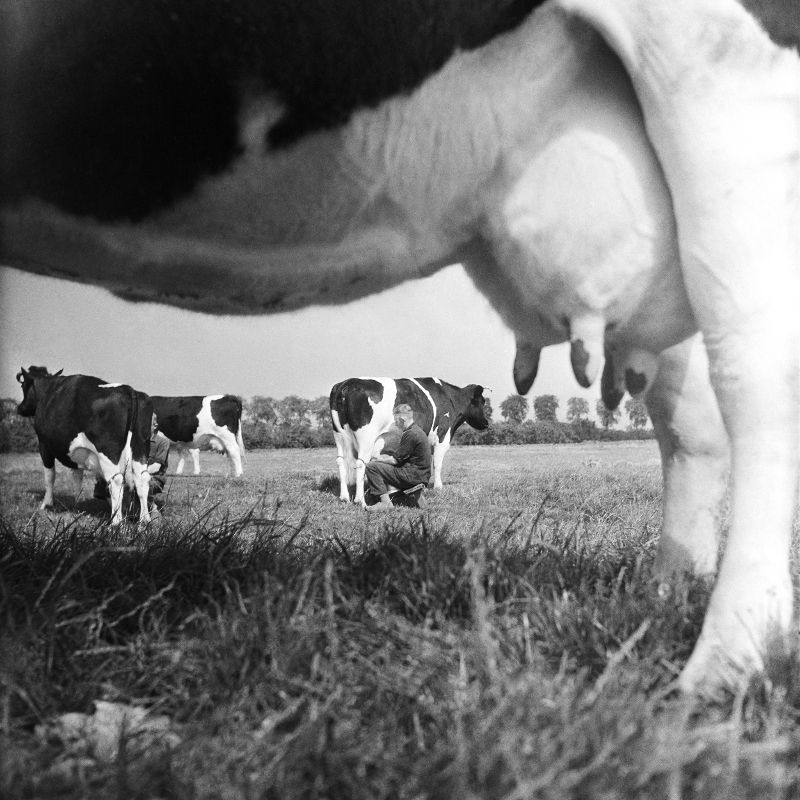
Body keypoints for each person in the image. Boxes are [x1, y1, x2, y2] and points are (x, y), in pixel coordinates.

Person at [92, 413, 170, 517]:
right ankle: (119, 510)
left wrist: (133, 475)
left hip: (154, 478)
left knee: (142, 482)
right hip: (131, 474)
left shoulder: (163, 442)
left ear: (154, 425)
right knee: (103, 481)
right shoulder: (131, 442)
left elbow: (156, 467)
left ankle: (152, 508)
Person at [364, 403, 431, 512]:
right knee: (384, 465)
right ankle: (391, 496)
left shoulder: (410, 434)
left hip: (412, 477)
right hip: (422, 475)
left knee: (372, 467)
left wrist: (378, 458)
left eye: (396, 421)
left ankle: (385, 503)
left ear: (402, 418)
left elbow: (395, 460)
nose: (396, 424)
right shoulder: (418, 431)